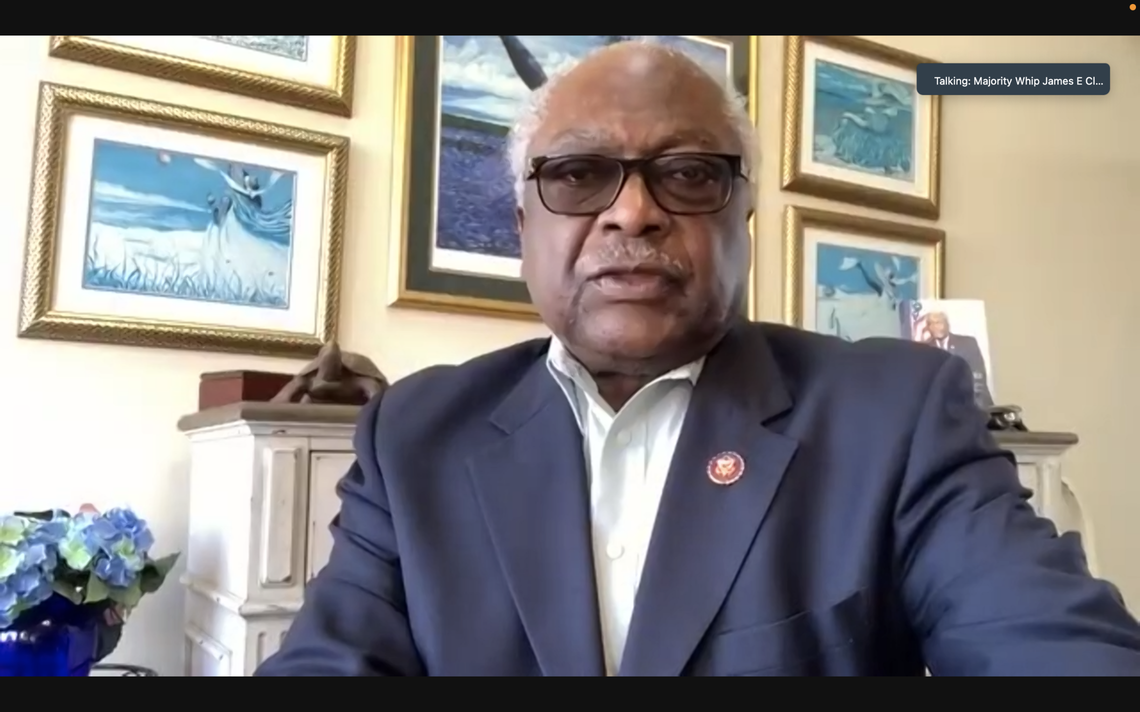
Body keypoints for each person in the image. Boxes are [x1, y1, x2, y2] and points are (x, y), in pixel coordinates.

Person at [255, 41, 1140, 677]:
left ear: (740, 224)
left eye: (687, 175)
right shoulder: (414, 437)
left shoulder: (896, 416)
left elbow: (1053, 644)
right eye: (577, 174)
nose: (632, 214)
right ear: (524, 228)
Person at [924, 310, 995, 408]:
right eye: (931, 324)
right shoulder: (925, 348)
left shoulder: (967, 343)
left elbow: (978, 372)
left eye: (938, 322)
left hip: (969, 398)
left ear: (947, 324)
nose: (935, 327)